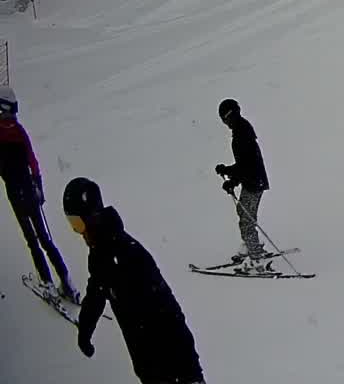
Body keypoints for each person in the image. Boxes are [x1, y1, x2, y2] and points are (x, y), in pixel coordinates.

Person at [63, 177, 204, 384]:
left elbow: (169, 313)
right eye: (72, 225)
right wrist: (85, 330)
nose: (79, 232)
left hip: (171, 359)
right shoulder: (99, 253)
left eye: (78, 223)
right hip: (146, 360)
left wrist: (189, 372)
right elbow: (96, 292)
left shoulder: (128, 254)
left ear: (92, 216)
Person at [0, 86, 78, 302]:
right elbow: (32, 160)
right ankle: (66, 280)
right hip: (30, 191)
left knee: (32, 240)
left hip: (16, 194)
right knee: (45, 238)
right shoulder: (19, 131)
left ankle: (49, 283)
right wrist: (39, 186)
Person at [213, 98, 269, 265]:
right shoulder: (241, 130)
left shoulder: (241, 135)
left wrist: (232, 180)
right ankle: (253, 248)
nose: (225, 123)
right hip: (254, 180)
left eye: (224, 119)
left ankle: (256, 259)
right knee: (244, 213)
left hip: (253, 182)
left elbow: (246, 165)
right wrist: (228, 171)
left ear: (229, 116)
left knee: (246, 219)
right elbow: (244, 164)